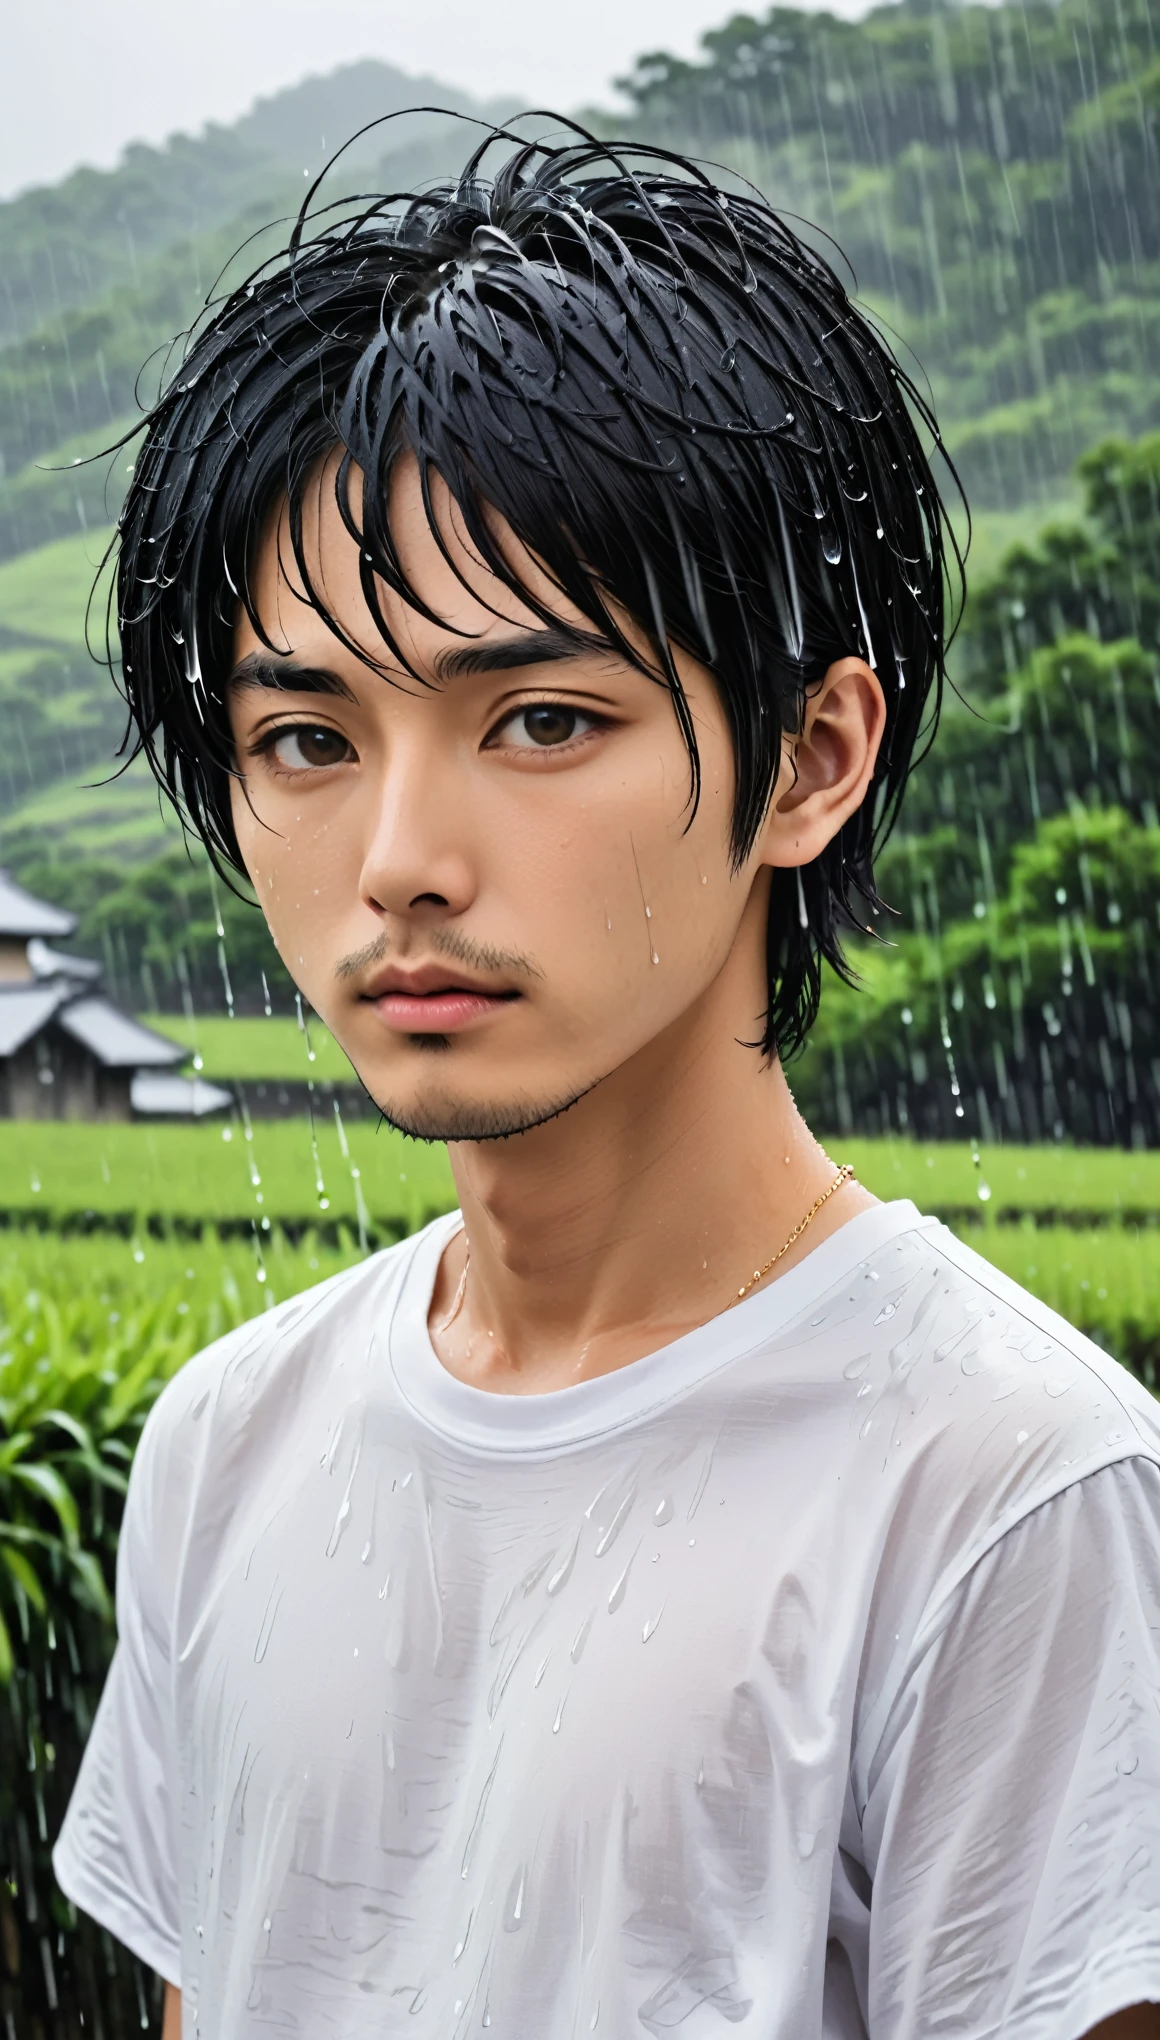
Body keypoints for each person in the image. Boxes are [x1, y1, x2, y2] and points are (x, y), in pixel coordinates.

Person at [54, 124, 1160, 2039]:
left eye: (544, 719)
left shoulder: (1008, 1494)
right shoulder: (225, 1442)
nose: (402, 854)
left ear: (810, 758)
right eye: (306, 735)